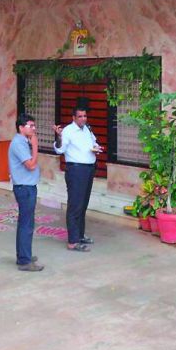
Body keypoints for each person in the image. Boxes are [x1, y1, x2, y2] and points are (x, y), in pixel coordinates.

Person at [53, 106, 102, 252]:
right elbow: (59, 149)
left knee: (83, 204)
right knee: (75, 204)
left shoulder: (87, 129)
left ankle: (80, 235)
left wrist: (97, 148)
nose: (83, 119)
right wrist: (58, 137)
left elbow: (93, 143)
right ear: (73, 118)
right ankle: (73, 241)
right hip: (76, 170)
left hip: (88, 169)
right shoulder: (68, 131)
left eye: (85, 116)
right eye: (80, 116)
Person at [8, 113, 43, 272]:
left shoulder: (23, 141)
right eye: (30, 125)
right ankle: (24, 260)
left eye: (34, 125)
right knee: (26, 224)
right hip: (24, 188)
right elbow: (30, 165)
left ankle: (23, 255)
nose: (34, 128)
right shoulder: (19, 143)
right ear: (21, 127)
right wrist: (35, 146)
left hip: (27, 186)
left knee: (27, 222)